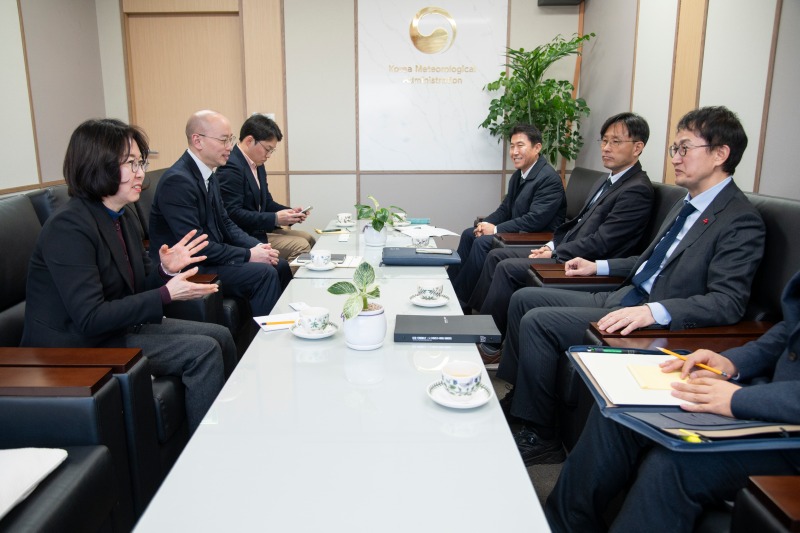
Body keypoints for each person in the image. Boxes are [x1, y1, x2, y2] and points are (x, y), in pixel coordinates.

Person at [497, 106, 766, 466]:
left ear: (721, 154)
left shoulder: (740, 219)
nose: (675, 158)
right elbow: (650, 260)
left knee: (538, 321)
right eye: (674, 149)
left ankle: (540, 434)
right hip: (624, 291)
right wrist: (598, 265)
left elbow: (728, 302)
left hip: (646, 312)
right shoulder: (686, 205)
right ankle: (522, 400)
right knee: (525, 298)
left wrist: (653, 311)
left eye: (685, 148)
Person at [21, 118, 235, 432]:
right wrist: (166, 293)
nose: (140, 172)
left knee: (221, 335)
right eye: (130, 163)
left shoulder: (122, 216)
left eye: (141, 162)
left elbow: (135, 289)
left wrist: (165, 270)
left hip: (114, 328)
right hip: (75, 345)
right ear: (97, 166)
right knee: (202, 352)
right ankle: (206, 455)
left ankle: (229, 426)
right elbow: (90, 318)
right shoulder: (69, 227)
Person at [545, 269, 800, 532]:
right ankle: (561, 525)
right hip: (764, 396)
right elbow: (789, 330)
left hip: (782, 422)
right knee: (620, 413)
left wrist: (740, 400)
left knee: (673, 465)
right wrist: (733, 362)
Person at [470, 112, 655, 363]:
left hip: (588, 265)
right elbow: (578, 224)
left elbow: (604, 242)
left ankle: (488, 344)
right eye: (604, 141)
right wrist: (552, 244)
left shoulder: (637, 190)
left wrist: (557, 252)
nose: (606, 148)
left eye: (615, 141)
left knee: (504, 266)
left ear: (638, 147)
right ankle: (482, 332)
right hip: (567, 250)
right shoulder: (607, 180)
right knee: (496, 257)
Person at [148, 110, 292, 316]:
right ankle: (266, 342)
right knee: (264, 273)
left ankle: (287, 323)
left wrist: (257, 247)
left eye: (230, 139)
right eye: (224, 140)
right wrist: (248, 255)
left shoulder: (209, 174)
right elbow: (195, 245)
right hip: (192, 266)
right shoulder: (178, 181)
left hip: (212, 256)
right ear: (198, 141)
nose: (229, 147)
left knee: (279, 264)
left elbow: (226, 222)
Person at [447, 124, 566, 305]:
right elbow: (505, 209)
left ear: (537, 148)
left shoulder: (549, 179)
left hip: (537, 240)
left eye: (520, 145)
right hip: (519, 233)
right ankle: (450, 287)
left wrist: (495, 229)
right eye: (512, 146)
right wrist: (483, 225)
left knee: (482, 244)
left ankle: (462, 300)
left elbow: (534, 220)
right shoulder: (520, 174)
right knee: (469, 233)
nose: (514, 152)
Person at [217, 114, 315, 262]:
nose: (269, 155)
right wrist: (275, 219)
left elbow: (267, 203)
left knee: (309, 238)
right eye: (267, 149)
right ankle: (286, 284)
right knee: (301, 246)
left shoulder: (257, 164)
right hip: (243, 235)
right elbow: (232, 213)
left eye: (272, 151)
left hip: (259, 229)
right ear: (249, 141)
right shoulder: (231, 166)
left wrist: (290, 213)